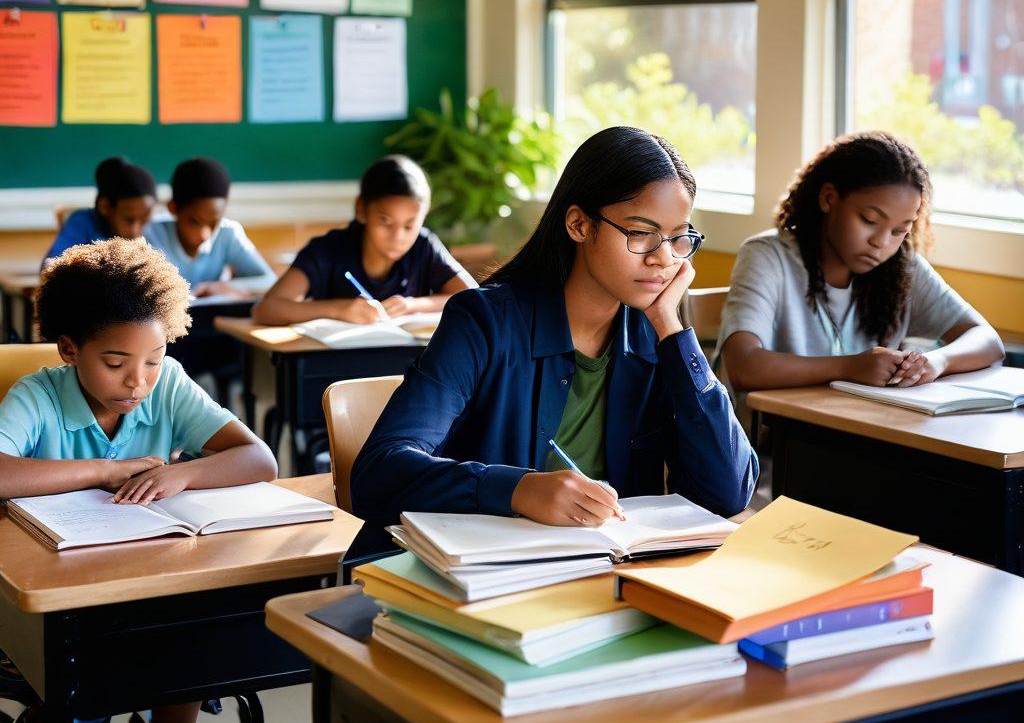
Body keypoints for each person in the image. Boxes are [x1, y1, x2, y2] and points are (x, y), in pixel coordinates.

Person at [349, 126, 758, 526]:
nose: (663, 258)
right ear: (579, 224)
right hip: (488, 577)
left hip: (605, 572)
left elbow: (727, 492)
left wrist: (672, 329)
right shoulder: (483, 321)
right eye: (640, 233)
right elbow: (379, 473)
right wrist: (516, 489)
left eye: (677, 237)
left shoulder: (657, 334)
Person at [0, 237, 277, 723]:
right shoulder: (37, 396)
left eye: (153, 359)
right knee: (75, 694)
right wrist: (108, 470)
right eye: (115, 362)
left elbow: (258, 459)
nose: (138, 380)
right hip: (58, 594)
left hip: (147, 579)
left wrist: (183, 476)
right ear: (69, 349)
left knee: (191, 632)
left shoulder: (167, 384)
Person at [719, 131, 1004, 393]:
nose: (881, 242)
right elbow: (744, 367)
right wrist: (850, 366)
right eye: (869, 220)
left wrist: (935, 362)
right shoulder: (768, 257)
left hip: (860, 432)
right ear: (829, 198)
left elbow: (987, 341)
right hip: (774, 440)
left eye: (899, 230)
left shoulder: (901, 267)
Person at [254, 154, 475, 325]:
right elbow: (267, 309)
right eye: (385, 222)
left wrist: (412, 305)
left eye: (409, 225)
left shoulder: (423, 246)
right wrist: (339, 310)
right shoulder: (328, 250)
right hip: (335, 371)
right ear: (361, 209)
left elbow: (473, 298)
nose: (399, 236)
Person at [145, 157, 276, 297]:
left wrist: (224, 287)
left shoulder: (228, 233)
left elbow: (270, 281)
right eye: (195, 222)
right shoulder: (149, 235)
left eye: (214, 223)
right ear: (173, 208)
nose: (205, 235)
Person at [43, 156, 157, 264]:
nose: (135, 232)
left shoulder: (157, 229)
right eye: (129, 220)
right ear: (105, 207)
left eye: (144, 220)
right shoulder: (82, 223)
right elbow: (52, 266)